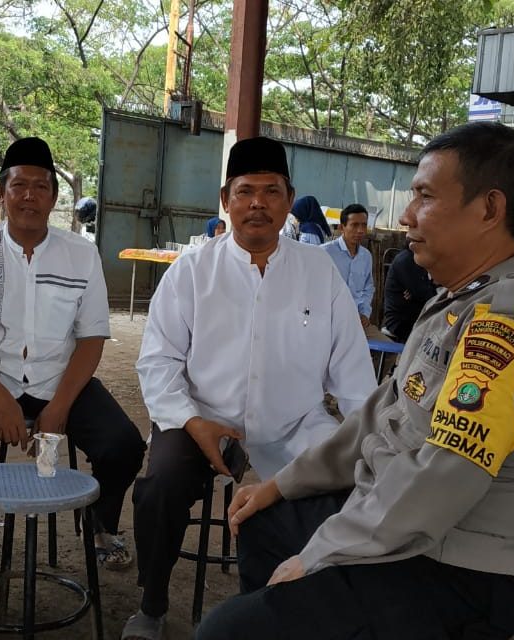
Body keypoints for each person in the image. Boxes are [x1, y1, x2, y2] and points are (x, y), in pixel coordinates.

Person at [197, 122, 514, 640]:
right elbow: (378, 416)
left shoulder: (507, 322)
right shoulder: (455, 300)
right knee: (264, 521)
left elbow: (440, 480)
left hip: (452, 565)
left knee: (226, 632)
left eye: (424, 196)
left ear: (489, 209)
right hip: (395, 521)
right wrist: (278, 484)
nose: (405, 216)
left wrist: (319, 555)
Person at [123, 136, 375, 640]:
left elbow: (352, 373)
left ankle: (283, 611)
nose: (257, 203)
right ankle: (151, 602)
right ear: (225, 200)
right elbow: (158, 362)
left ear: (288, 199)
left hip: (295, 423)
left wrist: (370, 441)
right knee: (162, 484)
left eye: (270, 191)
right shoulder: (192, 272)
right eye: (245, 191)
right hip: (202, 418)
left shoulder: (318, 272)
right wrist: (192, 421)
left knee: (355, 484)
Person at [0, 136, 146, 578]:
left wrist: (60, 407)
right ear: (1, 192)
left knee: (123, 445)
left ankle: (101, 526)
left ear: (54, 196)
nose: (29, 195)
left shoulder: (81, 255)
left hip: (60, 380)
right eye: (19, 185)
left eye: (41, 186)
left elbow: (91, 340)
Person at [322, 203, 380, 338]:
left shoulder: (366, 256)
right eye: (354, 225)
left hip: (357, 320)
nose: (360, 230)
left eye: (364, 225)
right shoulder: (325, 253)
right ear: (342, 227)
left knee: (390, 353)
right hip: (329, 321)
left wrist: (365, 313)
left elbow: (368, 288)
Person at [381, 246, 438, 343]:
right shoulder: (406, 260)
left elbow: (426, 289)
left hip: (414, 315)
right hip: (400, 321)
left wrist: (418, 293)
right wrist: (423, 291)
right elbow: (427, 295)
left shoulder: (418, 259)